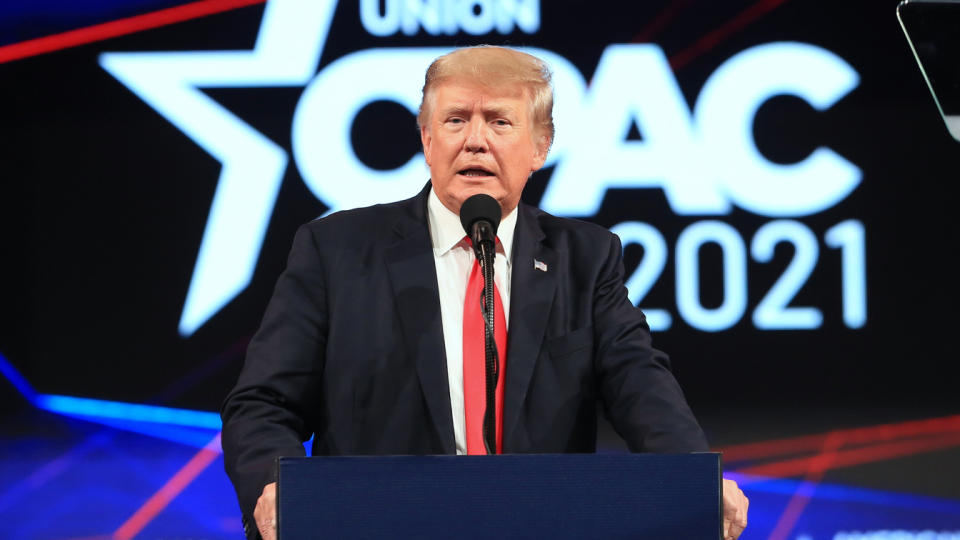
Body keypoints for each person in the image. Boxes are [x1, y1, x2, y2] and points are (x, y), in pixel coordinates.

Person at [221, 45, 748, 540]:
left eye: (499, 121)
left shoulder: (584, 258)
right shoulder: (336, 250)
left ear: (541, 146)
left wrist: (693, 477)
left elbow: (639, 383)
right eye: (455, 120)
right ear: (427, 139)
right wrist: (273, 489)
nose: (475, 140)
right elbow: (263, 402)